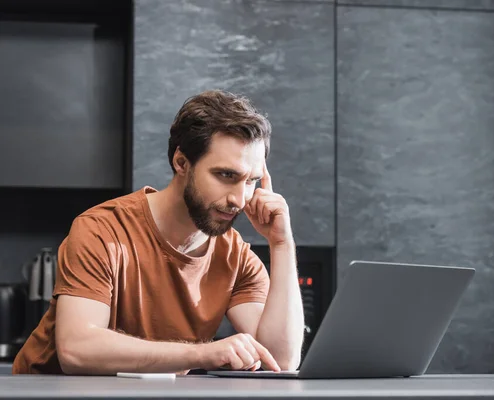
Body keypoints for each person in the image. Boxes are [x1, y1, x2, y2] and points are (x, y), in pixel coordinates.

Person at [12, 90, 304, 375]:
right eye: (226, 175)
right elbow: (76, 349)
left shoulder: (236, 256)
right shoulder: (102, 230)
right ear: (181, 163)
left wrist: (281, 244)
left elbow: (279, 361)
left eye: (251, 181)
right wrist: (204, 353)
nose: (240, 200)